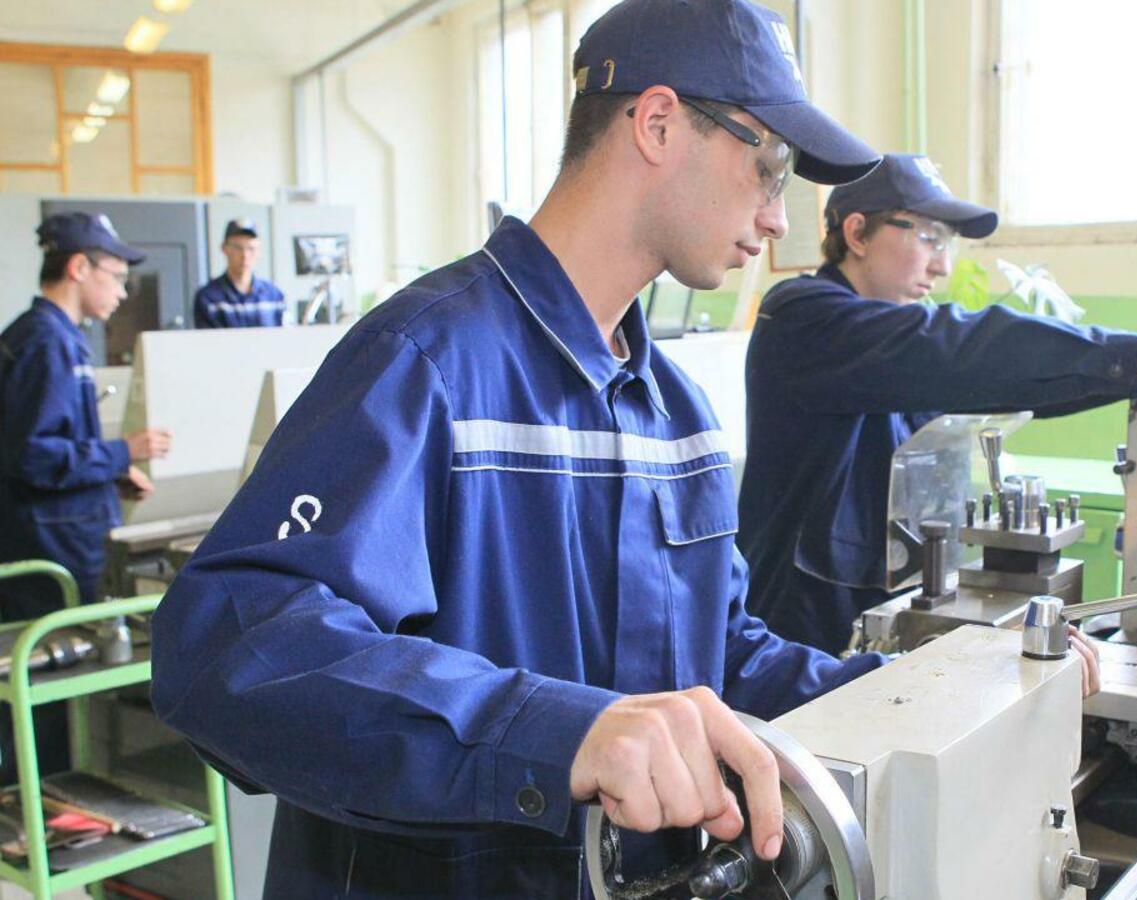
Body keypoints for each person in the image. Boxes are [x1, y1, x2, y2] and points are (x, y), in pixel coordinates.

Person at [149, 2, 892, 895]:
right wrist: (552, 732)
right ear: (658, 124)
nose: (777, 219)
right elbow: (231, 645)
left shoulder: (676, 414)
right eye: (768, 166)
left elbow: (720, 655)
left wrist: (905, 696)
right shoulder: (425, 364)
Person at [738, 153, 1137, 657]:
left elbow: (1011, 385)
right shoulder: (803, 319)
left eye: (948, 244)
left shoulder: (895, 351)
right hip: (801, 632)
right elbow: (961, 350)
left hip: (881, 618)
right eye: (929, 238)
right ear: (857, 233)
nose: (942, 265)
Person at [0, 211, 171, 781]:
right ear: (78, 267)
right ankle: (41, 807)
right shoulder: (44, 342)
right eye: (115, 276)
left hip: (59, 537)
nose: (122, 292)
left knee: (51, 695)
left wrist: (107, 475)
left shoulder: (56, 339)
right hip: (46, 554)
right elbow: (32, 455)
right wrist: (123, 451)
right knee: (45, 692)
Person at [191, 218, 286, 328]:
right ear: (224, 248)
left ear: (259, 251)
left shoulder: (274, 296)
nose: (245, 255)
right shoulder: (208, 298)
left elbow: (286, 334)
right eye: (237, 248)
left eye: (251, 248)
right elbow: (206, 337)